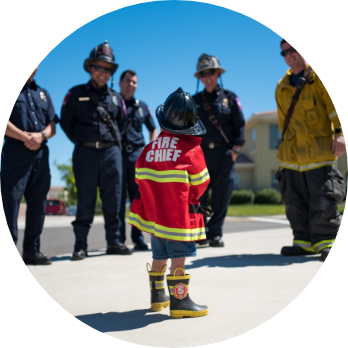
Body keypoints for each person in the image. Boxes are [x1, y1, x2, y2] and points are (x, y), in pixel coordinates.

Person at [128, 88, 212, 318]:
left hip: (157, 221)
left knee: (158, 256)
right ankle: (180, 301)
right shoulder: (192, 149)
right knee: (178, 258)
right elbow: (201, 183)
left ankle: (158, 298)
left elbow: (139, 179)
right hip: (179, 220)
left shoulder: (148, 149)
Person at [60, 41, 133, 260]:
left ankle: (115, 241)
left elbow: (123, 123)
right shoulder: (75, 93)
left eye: (107, 68)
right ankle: (80, 244)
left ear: (111, 72)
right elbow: (66, 122)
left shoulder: (116, 98)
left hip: (111, 153)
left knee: (115, 199)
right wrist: (83, 140)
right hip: (85, 153)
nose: (103, 72)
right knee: (85, 198)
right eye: (99, 67)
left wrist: (110, 143)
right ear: (90, 67)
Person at [275, 39, 346, 261]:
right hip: (291, 156)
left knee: (323, 198)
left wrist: (340, 134)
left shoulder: (317, 79)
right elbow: (282, 123)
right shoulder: (281, 86)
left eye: (293, 49)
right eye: (284, 52)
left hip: (318, 153)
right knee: (294, 201)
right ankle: (303, 242)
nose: (289, 54)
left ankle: (327, 242)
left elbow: (334, 110)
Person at [0, 65, 59, 265]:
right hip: (16, 152)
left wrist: (41, 136)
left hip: (41, 153)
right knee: (10, 203)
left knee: (38, 204)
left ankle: (32, 251)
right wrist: (25, 137)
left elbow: (52, 125)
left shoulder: (43, 93)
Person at [192, 53, 245, 247]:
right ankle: (202, 231)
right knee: (200, 197)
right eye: (203, 73)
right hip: (201, 155)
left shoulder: (230, 98)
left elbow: (240, 125)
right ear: (200, 77)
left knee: (222, 195)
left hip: (224, 154)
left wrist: (235, 151)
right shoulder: (194, 102)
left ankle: (215, 233)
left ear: (217, 74)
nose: (208, 77)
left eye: (211, 72)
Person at [118, 70, 157, 250]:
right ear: (120, 83)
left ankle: (138, 238)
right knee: (117, 198)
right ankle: (118, 240)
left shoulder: (142, 106)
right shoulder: (113, 102)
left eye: (134, 82)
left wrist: (151, 151)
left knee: (138, 199)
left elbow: (152, 128)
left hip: (137, 155)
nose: (131, 85)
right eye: (128, 81)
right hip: (117, 155)